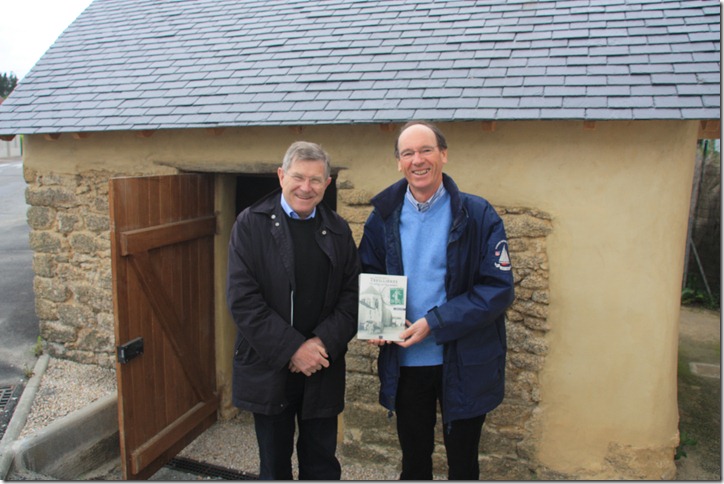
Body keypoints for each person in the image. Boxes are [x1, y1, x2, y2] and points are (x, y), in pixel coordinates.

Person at [358, 121, 515, 480]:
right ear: (398, 162)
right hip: (408, 362)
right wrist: (376, 320)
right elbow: (367, 274)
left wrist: (435, 321)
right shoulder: (381, 218)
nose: (418, 160)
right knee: (414, 462)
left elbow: (498, 288)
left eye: (426, 150)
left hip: (465, 360)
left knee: (463, 464)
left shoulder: (478, 215)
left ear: (443, 155)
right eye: (408, 153)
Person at [226, 141, 360, 480]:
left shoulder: (339, 230)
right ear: (281, 175)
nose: (306, 187)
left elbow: (352, 297)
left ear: (327, 184)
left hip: (322, 366)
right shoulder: (250, 225)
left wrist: (320, 345)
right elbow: (243, 300)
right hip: (270, 367)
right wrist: (293, 349)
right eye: (298, 177)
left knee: (321, 464)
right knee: (274, 465)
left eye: (316, 180)